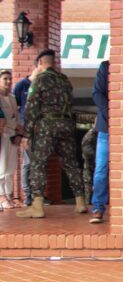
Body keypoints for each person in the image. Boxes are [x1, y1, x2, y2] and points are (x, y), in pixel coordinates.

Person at [17, 49, 87, 219]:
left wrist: (26, 135)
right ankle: (80, 202)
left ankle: (37, 205)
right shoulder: (64, 80)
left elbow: (32, 108)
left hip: (46, 126)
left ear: (40, 63)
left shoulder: (40, 80)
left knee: (38, 164)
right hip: (66, 125)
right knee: (71, 163)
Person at [13, 64, 38, 206]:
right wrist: (19, 131)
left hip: (39, 130)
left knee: (38, 163)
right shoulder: (22, 85)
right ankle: (28, 194)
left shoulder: (41, 85)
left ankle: (38, 194)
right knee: (27, 163)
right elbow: (14, 108)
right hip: (25, 130)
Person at [90, 60, 109, 224]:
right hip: (107, 128)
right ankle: (98, 207)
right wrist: (113, 114)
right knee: (101, 168)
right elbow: (97, 94)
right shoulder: (106, 66)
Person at [0, 70, 20, 210]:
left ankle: (9, 195)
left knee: (10, 167)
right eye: (5, 79)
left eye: (9, 79)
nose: (8, 81)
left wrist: (19, 133)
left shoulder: (12, 98)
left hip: (13, 134)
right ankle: (2, 197)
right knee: (1, 166)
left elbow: (16, 117)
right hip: (3, 134)